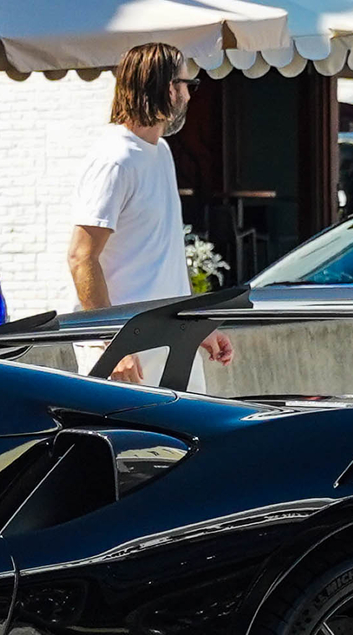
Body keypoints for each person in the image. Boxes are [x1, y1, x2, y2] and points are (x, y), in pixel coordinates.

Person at [66, 43, 233, 385]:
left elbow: (164, 252)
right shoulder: (115, 159)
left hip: (169, 344)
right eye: (189, 86)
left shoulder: (161, 152)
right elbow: (81, 257)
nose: (189, 97)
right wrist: (113, 345)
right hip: (126, 358)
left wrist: (195, 323)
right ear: (169, 89)